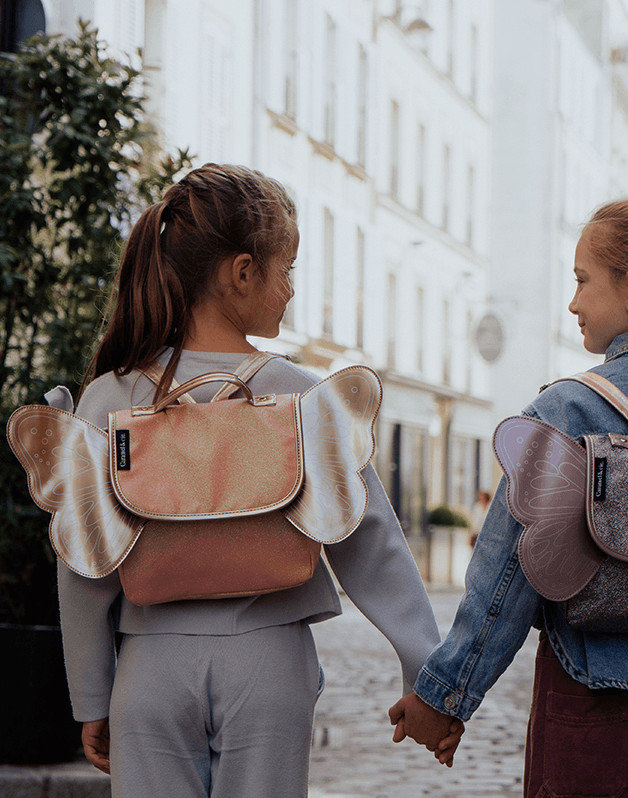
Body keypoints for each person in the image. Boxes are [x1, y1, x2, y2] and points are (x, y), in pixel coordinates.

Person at [57, 163, 461, 798]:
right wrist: (424, 671)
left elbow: (84, 558)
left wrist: (91, 693)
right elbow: (370, 540)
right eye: (287, 269)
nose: (292, 288)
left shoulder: (111, 395)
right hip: (270, 661)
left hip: (150, 665)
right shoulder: (302, 396)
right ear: (242, 273)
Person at [389, 199, 628, 795]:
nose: (572, 302)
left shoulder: (570, 411)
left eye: (582, 280)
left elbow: (508, 575)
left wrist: (444, 697)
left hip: (595, 700)